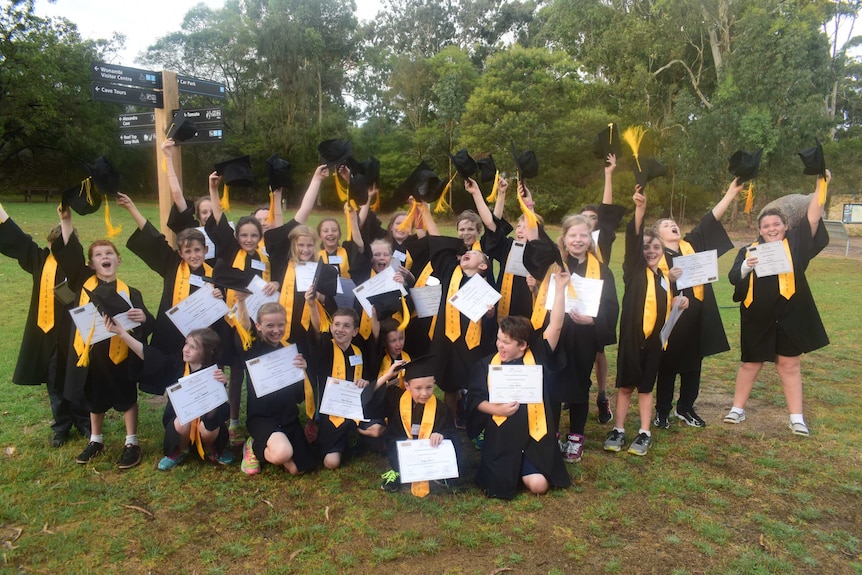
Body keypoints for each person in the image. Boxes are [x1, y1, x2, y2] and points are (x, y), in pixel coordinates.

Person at [724, 172, 831, 436]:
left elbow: (814, 214)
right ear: (759, 230)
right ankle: (737, 408)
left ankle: (796, 417)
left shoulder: (796, 244)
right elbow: (732, 277)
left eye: (776, 224)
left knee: (789, 365)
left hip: (789, 316)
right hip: (757, 317)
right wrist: (747, 267)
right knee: (750, 363)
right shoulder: (748, 250)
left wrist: (821, 184)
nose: (771, 228)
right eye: (766, 226)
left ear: (785, 226)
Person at [53, 206, 154, 469]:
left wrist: (143, 318)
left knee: (127, 398)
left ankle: (131, 441)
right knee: (94, 399)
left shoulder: (130, 291)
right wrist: (66, 220)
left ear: (118, 260)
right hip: (93, 354)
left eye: (109, 253)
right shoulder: (82, 286)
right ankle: (96, 440)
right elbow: (70, 255)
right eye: (98, 255)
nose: (104, 257)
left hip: (121, 354)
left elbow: (147, 320)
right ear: (90, 264)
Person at [466, 273, 571, 499]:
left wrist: (560, 289)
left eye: (506, 342)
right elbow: (475, 400)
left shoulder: (538, 355)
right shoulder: (486, 365)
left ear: (522, 345)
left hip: (535, 435)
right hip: (502, 436)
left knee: (538, 486)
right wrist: (497, 409)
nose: (499, 346)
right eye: (498, 339)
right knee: (498, 485)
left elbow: (557, 325)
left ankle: (526, 467)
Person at [524, 213, 619, 462]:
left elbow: (610, 306)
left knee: (579, 383)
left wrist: (593, 320)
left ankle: (576, 436)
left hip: (584, 335)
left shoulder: (602, 271)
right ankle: (553, 433)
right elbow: (534, 248)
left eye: (583, 235)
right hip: (555, 332)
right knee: (551, 380)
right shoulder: (553, 264)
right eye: (573, 235)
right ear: (564, 239)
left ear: (590, 239)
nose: (578, 240)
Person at [603, 189, 688, 456]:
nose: (651, 251)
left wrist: (678, 304)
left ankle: (644, 432)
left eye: (656, 247)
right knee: (626, 385)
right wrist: (640, 211)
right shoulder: (634, 271)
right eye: (647, 247)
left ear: (663, 252)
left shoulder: (665, 278)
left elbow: (664, 307)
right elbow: (634, 239)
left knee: (646, 386)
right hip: (631, 338)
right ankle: (618, 428)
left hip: (655, 341)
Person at [653, 178, 742, 428]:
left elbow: (709, 221)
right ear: (657, 234)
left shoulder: (691, 245)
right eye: (667, 225)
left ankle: (686, 407)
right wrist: (668, 285)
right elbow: (647, 286)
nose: (673, 227)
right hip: (672, 318)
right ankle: (662, 410)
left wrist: (730, 193)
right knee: (668, 366)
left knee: (693, 366)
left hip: (698, 316)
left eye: (674, 224)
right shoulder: (655, 255)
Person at [0, 203, 89, 447]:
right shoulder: (40, 260)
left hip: (74, 333)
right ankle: (61, 426)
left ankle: (83, 422)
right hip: (47, 335)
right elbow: (18, 240)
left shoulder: (80, 268)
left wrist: (66, 222)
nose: (55, 249)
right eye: (52, 244)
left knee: (76, 380)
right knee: (54, 382)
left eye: (61, 245)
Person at [206, 171, 280, 446]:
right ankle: (234, 420)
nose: (249, 239)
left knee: (258, 372)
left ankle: (262, 418)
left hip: (258, 324)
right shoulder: (228, 250)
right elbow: (219, 221)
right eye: (244, 235)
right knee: (235, 373)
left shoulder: (264, 257)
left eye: (254, 235)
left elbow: (274, 283)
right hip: (231, 322)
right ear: (237, 236)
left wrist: (274, 283)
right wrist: (214, 190)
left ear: (260, 236)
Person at [117, 192, 225, 363]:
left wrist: (220, 296)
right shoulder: (172, 264)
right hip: (170, 332)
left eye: (197, 250)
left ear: (205, 250)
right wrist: (131, 208)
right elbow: (153, 238)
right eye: (187, 251)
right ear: (181, 253)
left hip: (201, 338)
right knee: (168, 378)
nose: (193, 255)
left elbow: (222, 307)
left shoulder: (215, 273)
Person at [110, 326, 233, 470]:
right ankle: (180, 450)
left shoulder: (213, 373)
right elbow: (150, 355)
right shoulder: (176, 364)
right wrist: (122, 334)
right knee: (182, 421)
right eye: (186, 343)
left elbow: (217, 411)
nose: (186, 349)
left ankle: (212, 449)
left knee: (209, 425)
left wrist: (221, 384)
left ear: (207, 352)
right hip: (180, 424)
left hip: (207, 422)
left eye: (193, 347)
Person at [235, 300, 314, 475]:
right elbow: (244, 330)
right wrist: (241, 301)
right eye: (269, 325)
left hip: (288, 416)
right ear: (258, 326)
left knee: (298, 470)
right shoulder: (253, 349)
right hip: (262, 418)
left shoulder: (289, 351)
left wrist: (302, 371)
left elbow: (297, 396)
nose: (276, 330)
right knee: (282, 454)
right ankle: (253, 446)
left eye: (281, 325)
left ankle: (280, 443)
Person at [306, 302, 381, 470]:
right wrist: (312, 306)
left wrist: (365, 382)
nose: (340, 329)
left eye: (346, 326)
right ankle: (347, 438)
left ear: (355, 331)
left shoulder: (358, 351)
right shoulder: (325, 347)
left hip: (355, 410)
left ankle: (355, 433)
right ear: (331, 327)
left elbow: (367, 375)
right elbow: (316, 332)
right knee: (331, 463)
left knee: (377, 429)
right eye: (337, 324)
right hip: (333, 414)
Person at [580, 152, 625, 424]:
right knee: (574, 346)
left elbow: (607, 210)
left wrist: (608, 175)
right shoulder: (572, 242)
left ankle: (602, 394)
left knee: (598, 351)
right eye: (583, 217)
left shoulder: (602, 239)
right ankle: (577, 394)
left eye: (592, 217)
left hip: (600, 297)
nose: (588, 220)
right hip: (577, 295)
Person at [378, 354, 459, 495]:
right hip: (401, 447)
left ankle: (437, 472)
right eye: (418, 388)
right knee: (394, 440)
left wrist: (441, 435)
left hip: (428, 452)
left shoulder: (441, 409)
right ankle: (397, 470)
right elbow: (368, 399)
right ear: (407, 385)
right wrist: (387, 375)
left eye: (429, 387)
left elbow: (452, 433)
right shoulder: (394, 398)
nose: (424, 393)